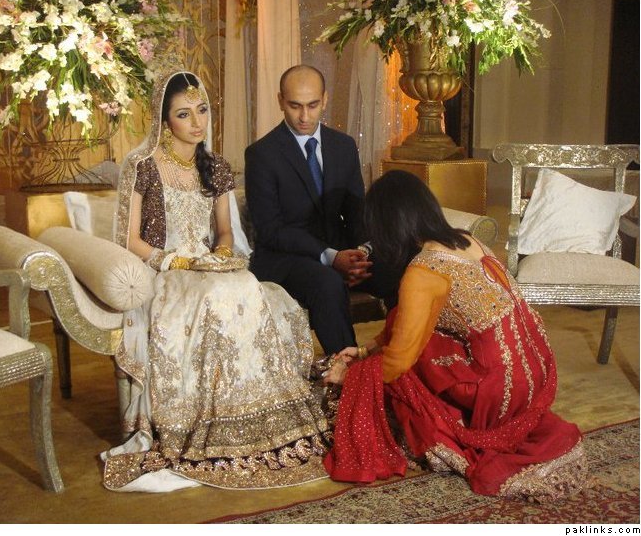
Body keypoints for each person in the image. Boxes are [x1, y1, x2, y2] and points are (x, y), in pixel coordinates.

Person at [101, 68, 331, 492]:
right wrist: (174, 261)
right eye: (184, 114)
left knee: (244, 286)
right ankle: (208, 421)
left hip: (209, 266)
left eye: (202, 110)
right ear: (163, 119)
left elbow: (224, 232)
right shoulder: (143, 166)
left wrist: (222, 255)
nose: (197, 122)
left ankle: (255, 415)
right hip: (165, 271)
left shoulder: (216, 166)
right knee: (217, 295)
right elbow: (129, 239)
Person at [322, 170, 588, 501]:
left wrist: (351, 374)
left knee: (404, 371)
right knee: (423, 335)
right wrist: (365, 350)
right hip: (535, 370)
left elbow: (397, 362)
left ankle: (447, 434)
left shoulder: (424, 270)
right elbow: (408, 322)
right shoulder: (467, 239)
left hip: (499, 390)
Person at [245, 64, 400, 355]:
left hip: (339, 250)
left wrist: (360, 254)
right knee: (327, 282)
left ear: (325, 100)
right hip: (284, 258)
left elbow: (356, 212)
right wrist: (331, 258)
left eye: (313, 105)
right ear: (280, 101)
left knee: (400, 265)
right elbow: (270, 229)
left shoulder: (343, 146)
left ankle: (402, 356)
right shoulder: (261, 154)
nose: (304, 116)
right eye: (295, 106)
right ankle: (348, 368)